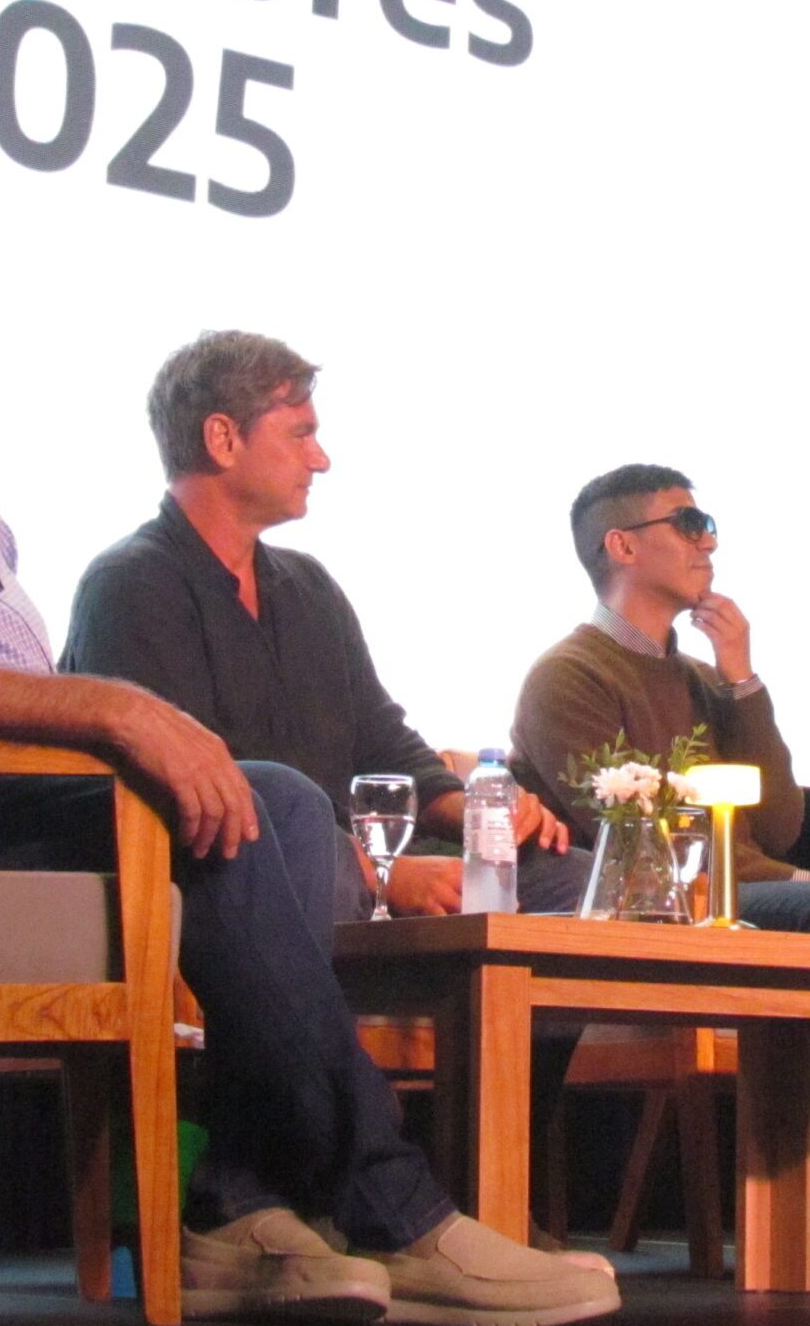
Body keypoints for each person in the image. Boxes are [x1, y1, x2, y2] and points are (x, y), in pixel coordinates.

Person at [0, 161, 618, 1326]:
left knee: (282, 811)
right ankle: (388, 1213)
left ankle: (242, 1216)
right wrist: (112, 710)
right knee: (272, 808)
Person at [508, 464, 810, 1273]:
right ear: (622, 545)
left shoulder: (705, 682)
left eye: (709, 524)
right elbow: (636, 840)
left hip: (762, 889)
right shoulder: (569, 675)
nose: (709, 541)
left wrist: (741, 677)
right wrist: (805, 889)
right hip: (657, 913)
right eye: (689, 521)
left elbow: (781, 823)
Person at [61, 331, 581, 918]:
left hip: (342, 861)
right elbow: (200, 797)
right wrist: (381, 875)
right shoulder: (130, 585)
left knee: (573, 879)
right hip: (231, 871)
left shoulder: (309, 587)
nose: (322, 459)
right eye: (301, 434)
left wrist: (478, 815)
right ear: (223, 439)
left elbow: (383, 742)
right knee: (318, 862)